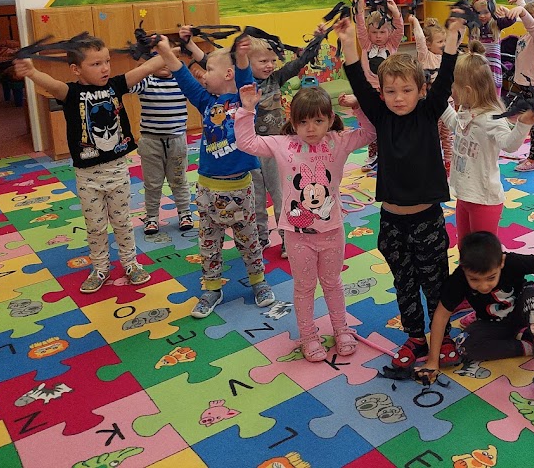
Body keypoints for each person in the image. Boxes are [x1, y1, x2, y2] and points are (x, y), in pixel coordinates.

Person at [341, 12, 465, 369]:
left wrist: (453, 36)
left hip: (427, 220)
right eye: (391, 92)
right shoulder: (380, 116)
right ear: (381, 94)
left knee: (436, 283)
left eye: (407, 90)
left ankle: (443, 337)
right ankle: (415, 337)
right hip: (392, 223)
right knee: (405, 283)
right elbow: (357, 79)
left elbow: (446, 75)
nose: (398, 98)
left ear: (421, 91)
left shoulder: (428, 112)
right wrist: (348, 41)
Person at [234, 54, 376, 362]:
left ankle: (341, 329)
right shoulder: (282, 143)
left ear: (330, 119)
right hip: (297, 234)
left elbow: (369, 133)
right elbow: (247, 143)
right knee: (304, 287)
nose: (310, 128)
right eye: (303, 122)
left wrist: (359, 106)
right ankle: (309, 336)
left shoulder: (338, 141)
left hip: (332, 229)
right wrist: (246, 110)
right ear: (293, 120)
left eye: (318, 121)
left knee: (333, 283)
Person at [14, 35, 168, 292]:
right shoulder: (71, 93)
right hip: (88, 176)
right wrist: (31, 71)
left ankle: (131, 263)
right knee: (95, 227)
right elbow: (52, 84)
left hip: (117, 170)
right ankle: (100, 268)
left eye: (107, 61)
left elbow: (148, 67)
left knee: (122, 222)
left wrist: (167, 48)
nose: (105, 68)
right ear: (76, 69)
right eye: (96, 64)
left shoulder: (116, 85)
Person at [154, 37, 275, 319]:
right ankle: (211, 288)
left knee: (249, 241)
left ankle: (258, 282)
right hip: (209, 189)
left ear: (228, 74)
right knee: (209, 243)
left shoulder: (245, 100)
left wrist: (242, 57)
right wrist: (164, 50)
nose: (204, 75)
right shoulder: (207, 102)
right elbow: (184, 78)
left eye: (209, 69)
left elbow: (245, 79)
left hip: (241, 189)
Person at [419, 231, 534, 410]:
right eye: (474, 280)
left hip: (523, 314)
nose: (483, 285)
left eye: (491, 277)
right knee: (463, 345)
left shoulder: (510, 261)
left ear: (501, 262)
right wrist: (433, 361)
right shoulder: (458, 279)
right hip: (493, 324)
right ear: (463, 268)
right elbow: (441, 316)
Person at [441, 41, 534, 241]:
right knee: (465, 248)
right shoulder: (465, 110)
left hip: (484, 200)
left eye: (453, 85)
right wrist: (437, 101)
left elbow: (510, 145)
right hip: (464, 195)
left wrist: (523, 124)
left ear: (467, 90)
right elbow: (454, 124)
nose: (450, 89)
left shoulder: (490, 118)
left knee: (484, 253)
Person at [234, 33, 322, 255]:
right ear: (247, 62)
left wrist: (318, 40)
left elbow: (298, 64)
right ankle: (261, 237)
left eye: (273, 60)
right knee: (255, 198)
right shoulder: (241, 84)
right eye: (263, 61)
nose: (270, 65)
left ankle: (287, 237)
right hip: (250, 151)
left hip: (275, 149)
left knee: (281, 195)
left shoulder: (276, 79)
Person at [130, 58, 194, 235]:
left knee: (179, 179)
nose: (165, 64)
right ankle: (151, 216)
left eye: (168, 59)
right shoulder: (146, 81)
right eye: (159, 60)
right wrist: (143, 68)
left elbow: (198, 90)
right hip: (151, 142)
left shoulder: (181, 81)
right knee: (152, 183)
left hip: (176, 141)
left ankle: (185, 213)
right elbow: (129, 85)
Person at [348, 0, 405, 171]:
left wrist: (396, 14)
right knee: (371, 126)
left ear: (389, 32)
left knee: (390, 125)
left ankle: (391, 154)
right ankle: (372, 156)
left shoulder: (392, 45)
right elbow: (360, 28)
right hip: (370, 93)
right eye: (374, 32)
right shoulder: (366, 45)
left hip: (388, 91)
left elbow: (400, 30)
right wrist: (360, 9)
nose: (378, 36)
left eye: (382, 32)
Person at [506, 0, 534, 172]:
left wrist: (523, 12)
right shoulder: (528, 36)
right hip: (526, 85)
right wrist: (522, 4)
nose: (530, 20)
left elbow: (532, 26)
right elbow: (531, 24)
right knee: (533, 123)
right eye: (529, 16)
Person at [411, 14, 454, 172]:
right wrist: (415, 22)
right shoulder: (425, 57)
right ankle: (431, 163)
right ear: (428, 44)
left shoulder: (445, 58)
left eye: (444, 41)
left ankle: (449, 162)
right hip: (430, 106)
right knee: (431, 135)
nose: (443, 45)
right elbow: (420, 40)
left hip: (447, 104)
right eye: (440, 42)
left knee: (447, 136)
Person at [466, 0, 517, 96]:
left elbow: (511, 20)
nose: (482, 16)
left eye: (486, 12)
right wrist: (465, 1)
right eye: (478, 13)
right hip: (475, 68)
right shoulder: (472, 25)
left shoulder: (496, 24)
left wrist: (507, 11)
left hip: (493, 70)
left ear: (492, 10)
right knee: (475, 95)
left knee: (493, 97)